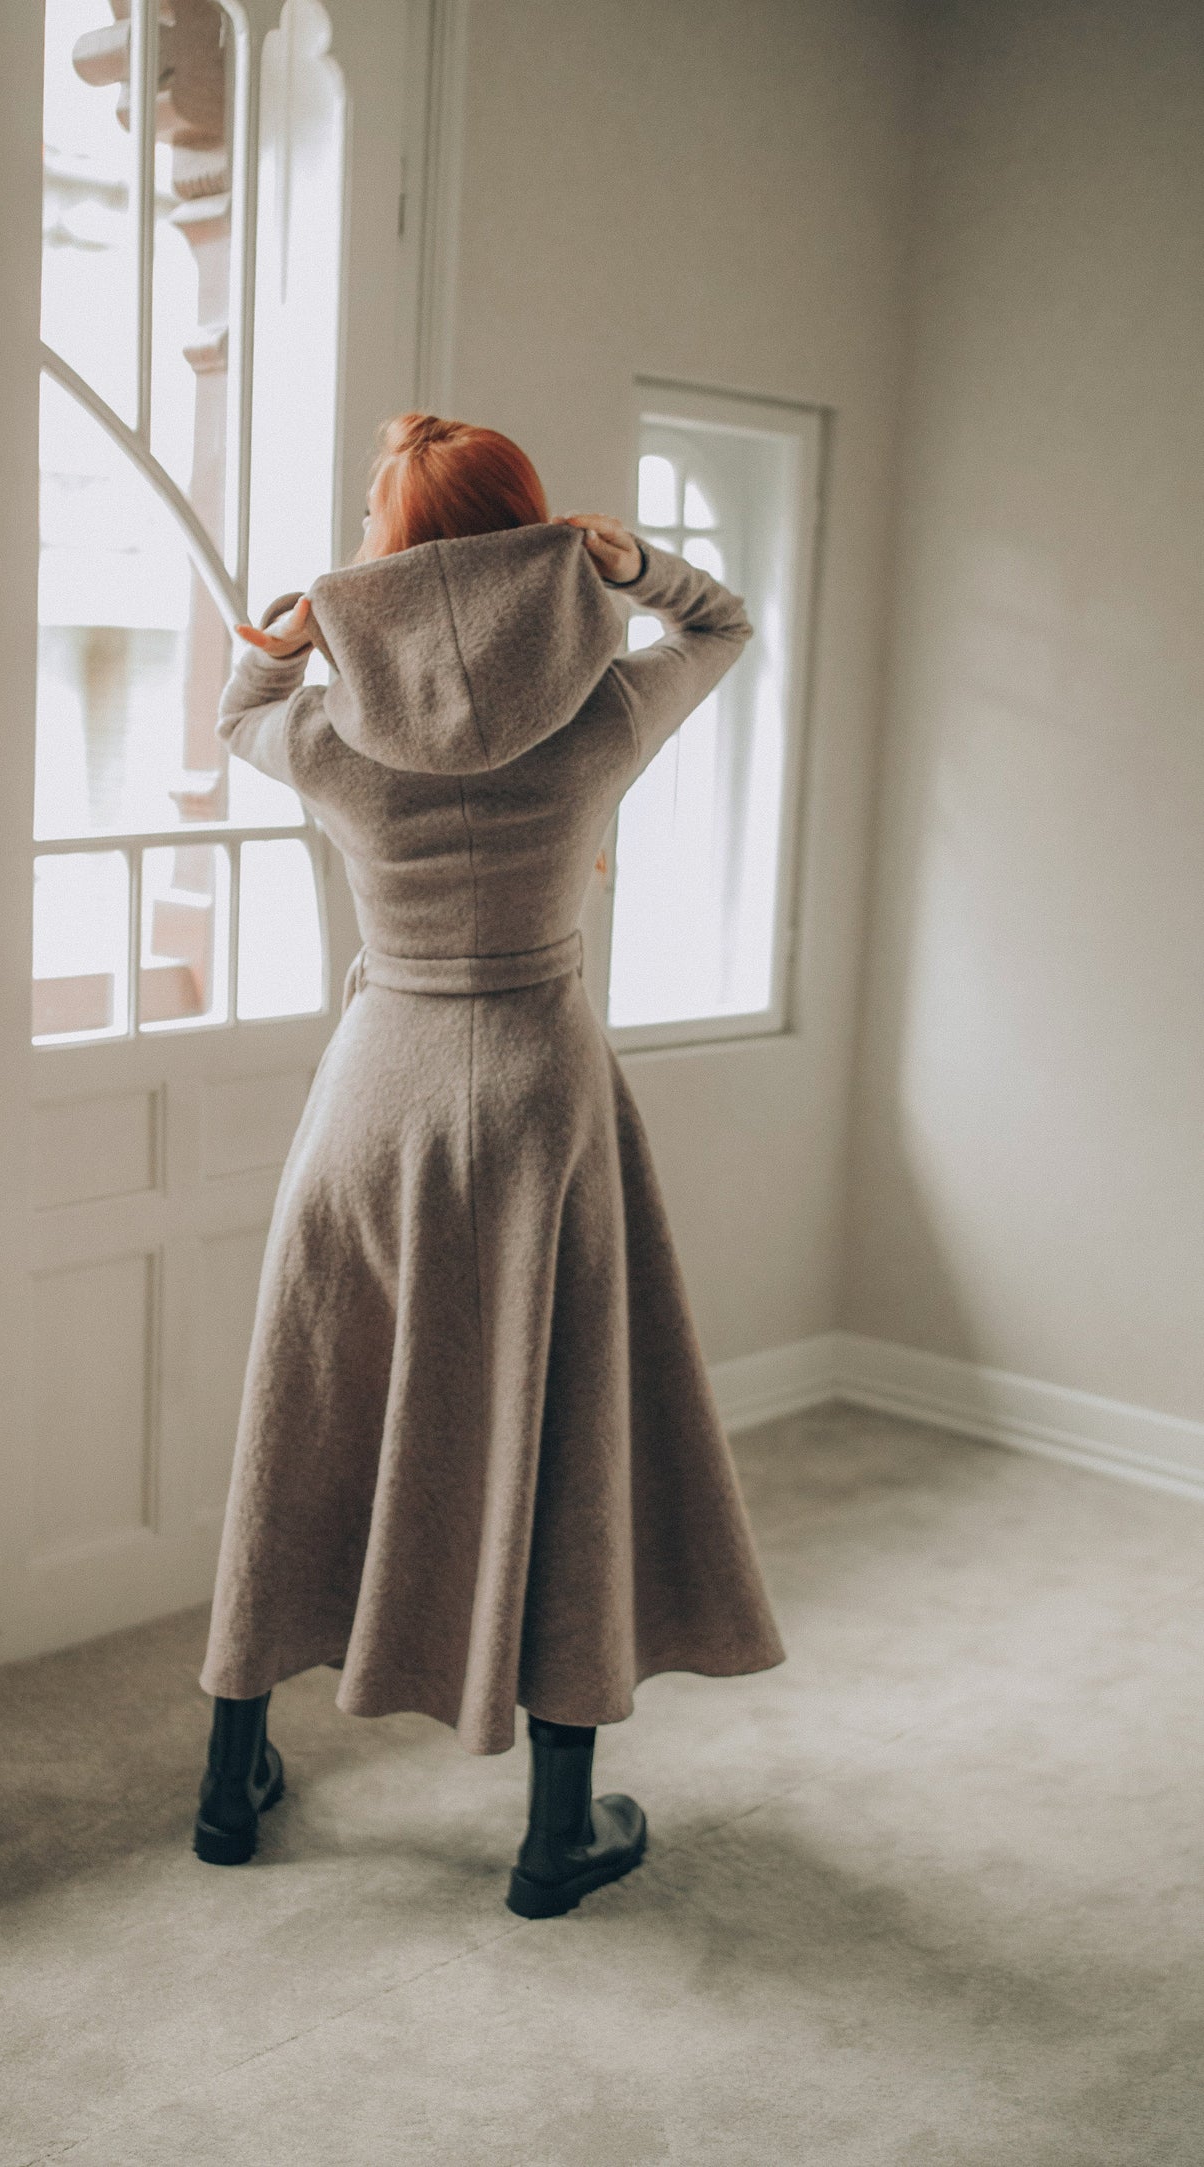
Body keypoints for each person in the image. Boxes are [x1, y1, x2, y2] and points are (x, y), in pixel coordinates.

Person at [193, 413, 784, 1919]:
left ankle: (226, 1787)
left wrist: (287, 636)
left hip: (372, 1097)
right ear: (536, 538)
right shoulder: (602, 717)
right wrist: (626, 561)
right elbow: (722, 622)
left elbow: (233, 715)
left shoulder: (328, 737)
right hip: (535, 1092)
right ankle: (554, 1833)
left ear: (385, 557)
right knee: (575, 1427)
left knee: (307, 1417)